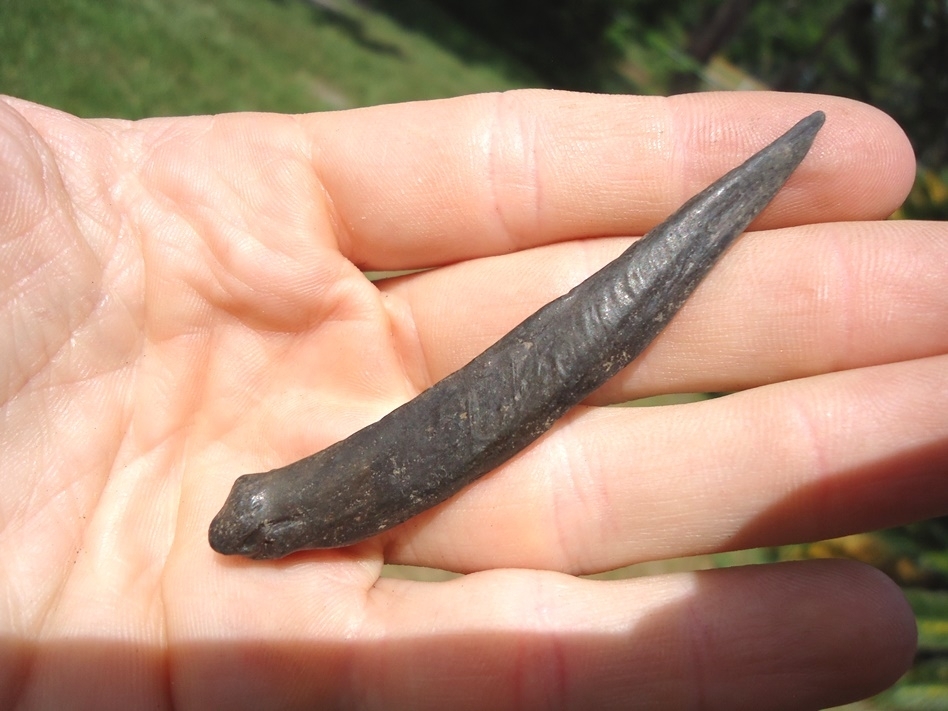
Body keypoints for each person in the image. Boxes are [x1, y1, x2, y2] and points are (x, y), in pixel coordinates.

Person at [0, 89, 942, 710]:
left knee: (601, 323)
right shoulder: (300, 504)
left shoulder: (307, 503)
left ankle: (767, 172)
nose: (252, 530)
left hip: (419, 433)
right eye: (261, 528)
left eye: (259, 526)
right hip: (352, 471)